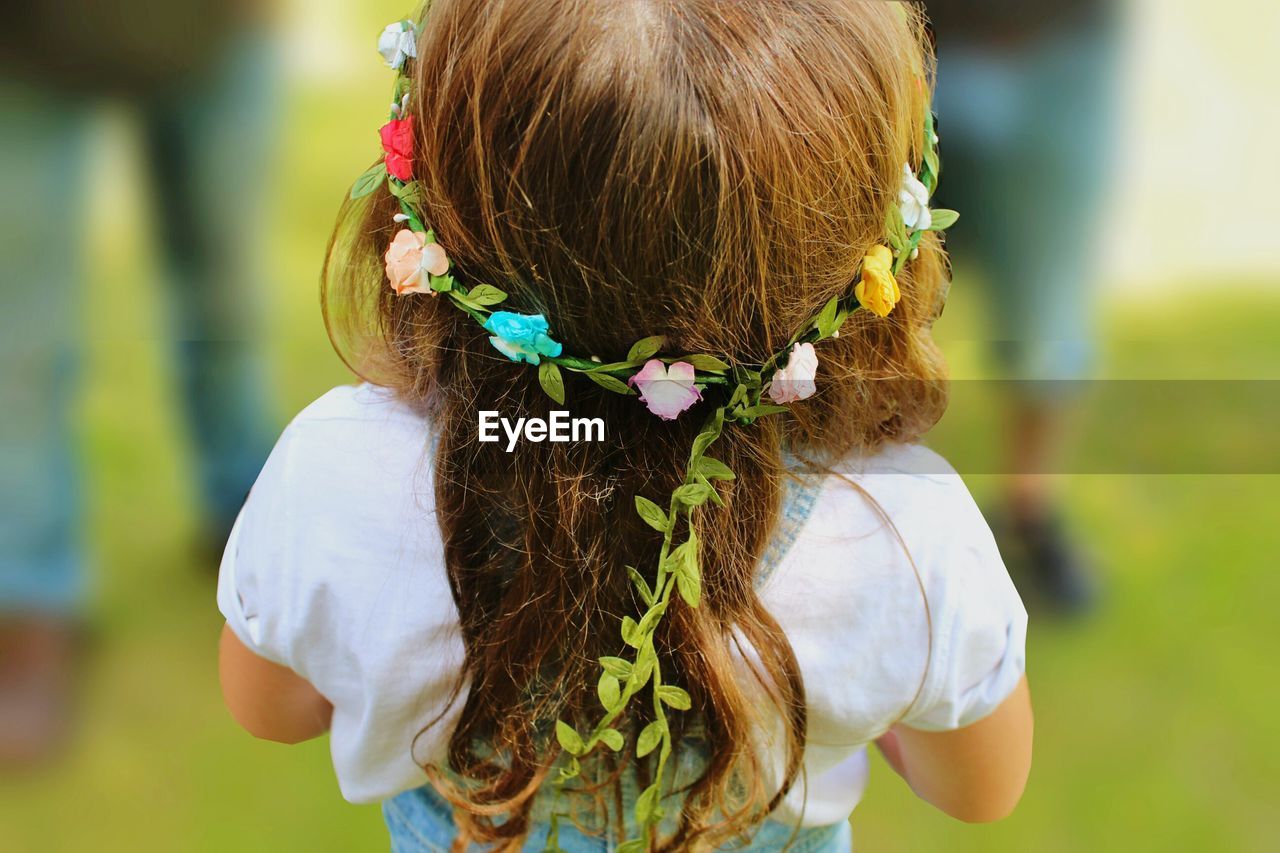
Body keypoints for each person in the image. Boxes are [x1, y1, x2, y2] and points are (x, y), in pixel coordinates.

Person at [217, 2, 1032, 850]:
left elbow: (269, 708)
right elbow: (980, 785)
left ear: (437, 187)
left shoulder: (336, 476)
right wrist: (861, 686)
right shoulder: (902, 533)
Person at [0, 1, 278, 764]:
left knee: (224, 296)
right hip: (23, 51)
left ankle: (252, 523)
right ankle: (28, 603)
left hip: (213, 32)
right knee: (16, 341)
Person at [926, 0, 1122, 612]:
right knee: (866, 281)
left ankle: (1028, 512)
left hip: (1058, 48)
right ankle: (839, 506)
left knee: (1048, 307)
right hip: (910, 39)